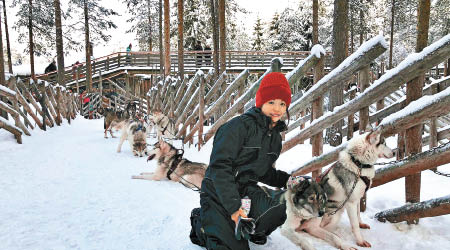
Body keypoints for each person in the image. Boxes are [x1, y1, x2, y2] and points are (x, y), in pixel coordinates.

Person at [195, 72, 294, 250]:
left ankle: (252, 231)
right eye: (271, 102)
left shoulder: (275, 139)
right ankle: (201, 223)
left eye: (282, 103)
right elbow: (220, 169)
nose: (277, 108)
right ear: (260, 102)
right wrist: (234, 209)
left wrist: (288, 180)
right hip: (219, 190)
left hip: (245, 189)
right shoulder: (237, 127)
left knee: (278, 211)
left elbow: (263, 171)